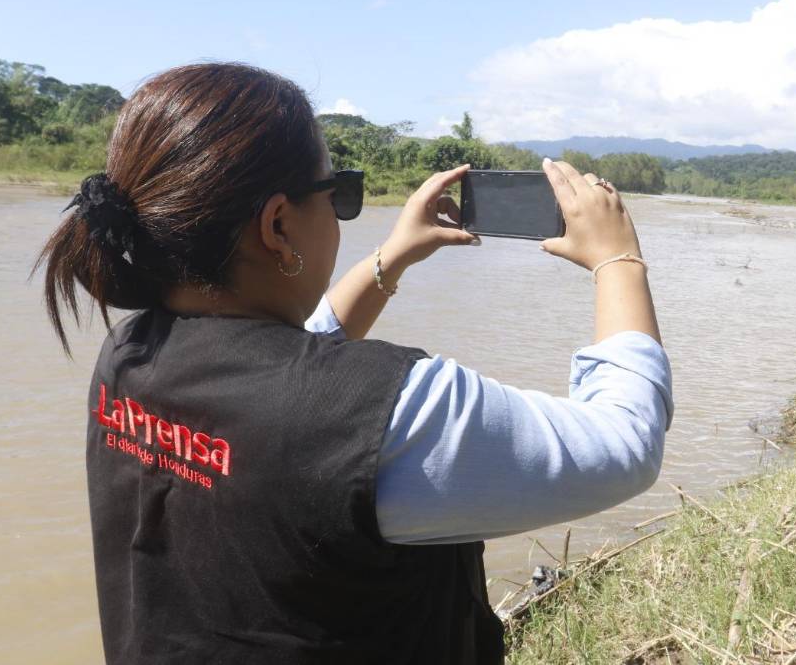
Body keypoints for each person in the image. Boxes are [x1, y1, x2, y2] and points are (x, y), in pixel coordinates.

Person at [35, 63, 672, 665]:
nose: (343, 212)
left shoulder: (132, 353)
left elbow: (287, 374)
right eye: (338, 192)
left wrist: (390, 259)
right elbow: (624, 444)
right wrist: (618, 262)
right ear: (278, 225)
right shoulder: (390, 414)